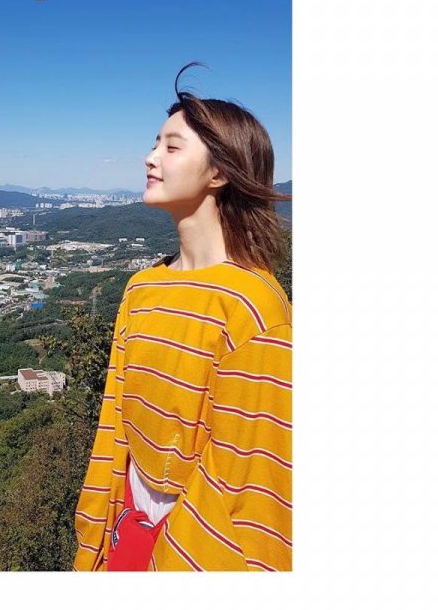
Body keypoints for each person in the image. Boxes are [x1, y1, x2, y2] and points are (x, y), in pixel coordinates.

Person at [73, 63, 292, 571]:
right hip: (124, 536)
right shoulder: (142, 290)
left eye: (172, 147)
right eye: (155, 143)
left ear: (219, 173)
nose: (150, 158)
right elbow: (115, 432)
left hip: (195, 552)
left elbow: (255, 488)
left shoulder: (252, 308)